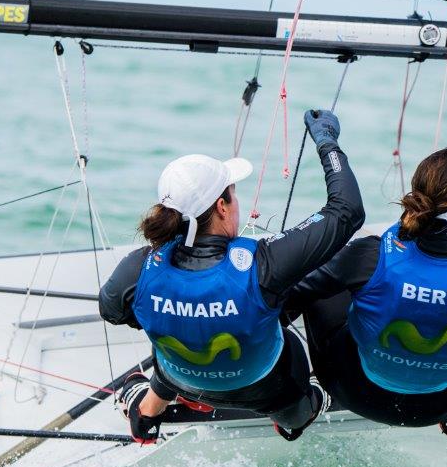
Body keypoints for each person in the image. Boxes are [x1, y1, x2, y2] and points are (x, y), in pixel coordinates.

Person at [100, 110, 363, 444]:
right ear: (222, 207)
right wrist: (326, 141)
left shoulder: (138, 267)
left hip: (180, 377)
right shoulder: (263, 263)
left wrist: (179, 313)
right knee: (294, 405)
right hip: (267, 387)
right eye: (234, 194)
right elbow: (347, 210)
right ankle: (294, 420)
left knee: (184, 337)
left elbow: (111, 310)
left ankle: (145, 414)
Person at [285, 146, 447, 436]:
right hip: (441, 405)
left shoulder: (368, 257)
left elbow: (288, 295)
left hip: (352, 391)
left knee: (326, 278)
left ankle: (299, 404)